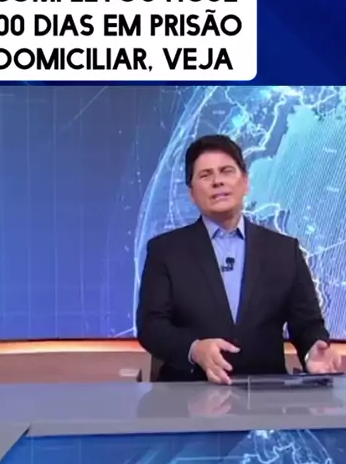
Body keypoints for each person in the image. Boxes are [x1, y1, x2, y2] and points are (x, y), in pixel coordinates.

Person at [136, 134, 342, 384]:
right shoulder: (166, 251)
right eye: (205, 175)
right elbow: (151, 326)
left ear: (245, 182)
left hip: (265, 393)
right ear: (192, 193)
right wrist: (194, 349)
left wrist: (312, 351)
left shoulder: (284, 251)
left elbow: (307, 324)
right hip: (189, 392)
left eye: (226, 171)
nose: (217, 181)